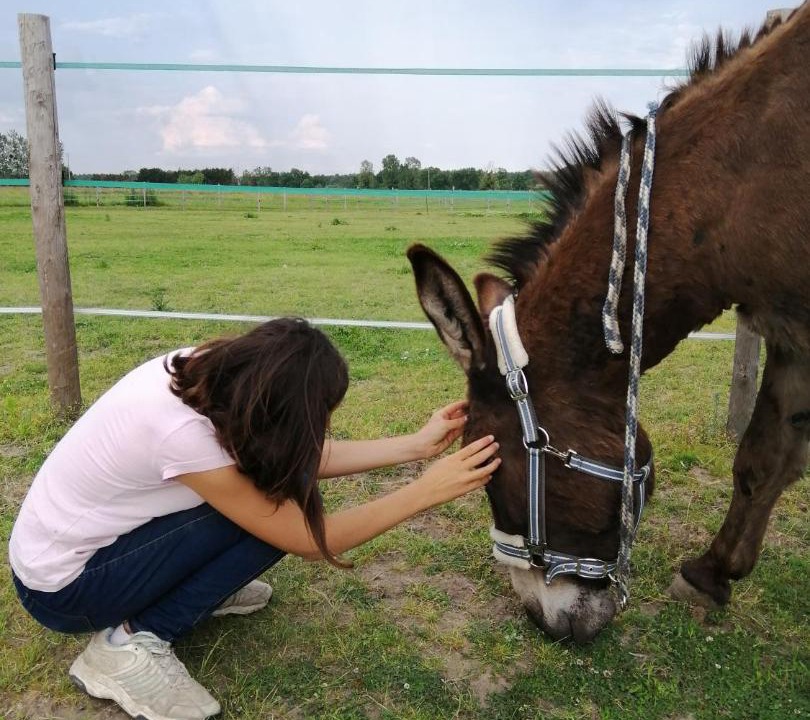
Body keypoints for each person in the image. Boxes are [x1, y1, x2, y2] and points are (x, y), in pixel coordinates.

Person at [8, 317, 499, 720]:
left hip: (86, 552)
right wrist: (424, 491)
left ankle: (190, 589)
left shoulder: (209, 377)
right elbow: (306, 537)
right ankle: (128, 642)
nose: (321, 425)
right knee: (274, 514)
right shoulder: (182, 432)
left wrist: (412, 446)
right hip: (66, 591)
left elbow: (284, 454)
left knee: (271, 493)